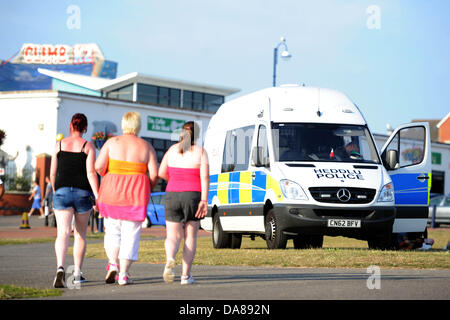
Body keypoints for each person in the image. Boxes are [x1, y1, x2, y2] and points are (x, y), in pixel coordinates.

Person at [95, 111, 158, 286]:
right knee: (131, 235)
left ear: (123, 124)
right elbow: (154, 174)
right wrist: (147, 185)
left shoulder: (111, 143)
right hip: (135, 195)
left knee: (112, 232)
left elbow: (98, 166)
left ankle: (113, 263)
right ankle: (123, 274)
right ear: (138, 126)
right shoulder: (147, 146)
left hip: (111, 192)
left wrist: (110, 173)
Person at [50, 113, 99, 288]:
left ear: (71, 125)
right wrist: (98, 196)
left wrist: (57, 191)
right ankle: (76, 273)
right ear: (85, 128)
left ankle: (60, 268)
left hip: (62, 192)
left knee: (62, 233)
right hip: (82, 194)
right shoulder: (88, 146)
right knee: (80, 234)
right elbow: (91, 173)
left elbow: (53, 173)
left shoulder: (59, 145)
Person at [158, 121, 209, 285]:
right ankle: (185, 276)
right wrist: (204, 200)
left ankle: (170, 259)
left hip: (172, 193)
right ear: (197, 135)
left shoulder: (171, 150)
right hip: (193, 195)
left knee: (172, 235)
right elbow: (205, 177)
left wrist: (174, 180)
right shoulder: (201, 152)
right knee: (190, 235)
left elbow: (161, 172)